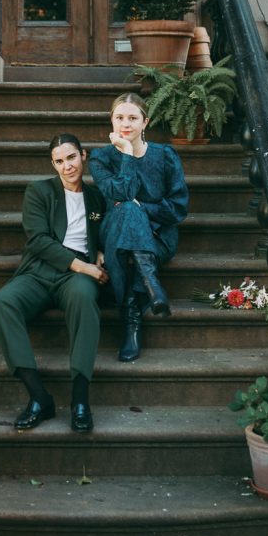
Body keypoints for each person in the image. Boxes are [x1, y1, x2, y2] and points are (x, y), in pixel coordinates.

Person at [0, 133, 107, 432]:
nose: (66, 166)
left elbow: (108, 232)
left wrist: (103, 254)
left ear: (84, 156)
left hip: (76, 279)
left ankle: (80, 400)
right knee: (3, 303)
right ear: (53, 165)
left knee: (83, 299)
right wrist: (87, 267)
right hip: (41, 270)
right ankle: (39, 397)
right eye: (59, 161)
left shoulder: (98, 196)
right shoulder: (39, 191)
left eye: (71, 157)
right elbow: (39, 240)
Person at [89, 92, 188, 363]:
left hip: (159, 237)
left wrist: (143, 209)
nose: (126, 124)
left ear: (146, 122)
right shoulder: (100, 159)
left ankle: (131, 321)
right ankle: (151, 283)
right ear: (111, 121)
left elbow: (179, 207)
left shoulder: (165, 155)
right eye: (119, 117)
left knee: (133, 210)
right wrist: (129, 154)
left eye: (133, 118)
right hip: (115, 233)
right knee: (128, 209)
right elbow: (122, 191)